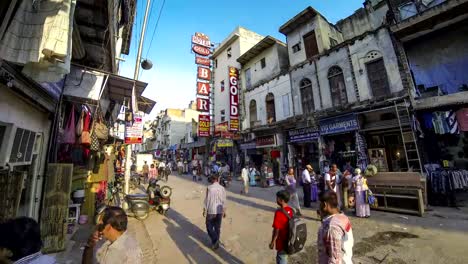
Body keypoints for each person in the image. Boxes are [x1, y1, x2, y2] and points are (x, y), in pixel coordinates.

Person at [317, 191, 354, 264]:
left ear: (325, 205)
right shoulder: (343, 217)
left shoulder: (332, 227)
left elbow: (335, 259)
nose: (319, 208)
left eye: (320, 205)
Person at [203, 174, 227, 250]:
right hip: (219, 210)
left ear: (212, 179)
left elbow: (207, 200)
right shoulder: (222, 188)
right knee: (217, 227)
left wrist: (204, 209)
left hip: (211, 210)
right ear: (218, 179)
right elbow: (224, 200)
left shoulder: (209, 188)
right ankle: (216, 241)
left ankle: (215, 240)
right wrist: (224, 210)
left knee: (209, 226)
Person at [269, 190, 293, 264]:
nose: (276, 200)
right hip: (289, 240)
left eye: (277, 198)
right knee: (283, 257)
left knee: (281, 258)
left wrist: (272, 242)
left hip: (281, 242)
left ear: (281, 200)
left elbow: (276, 230)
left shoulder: (279, 213)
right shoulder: (290, 210)